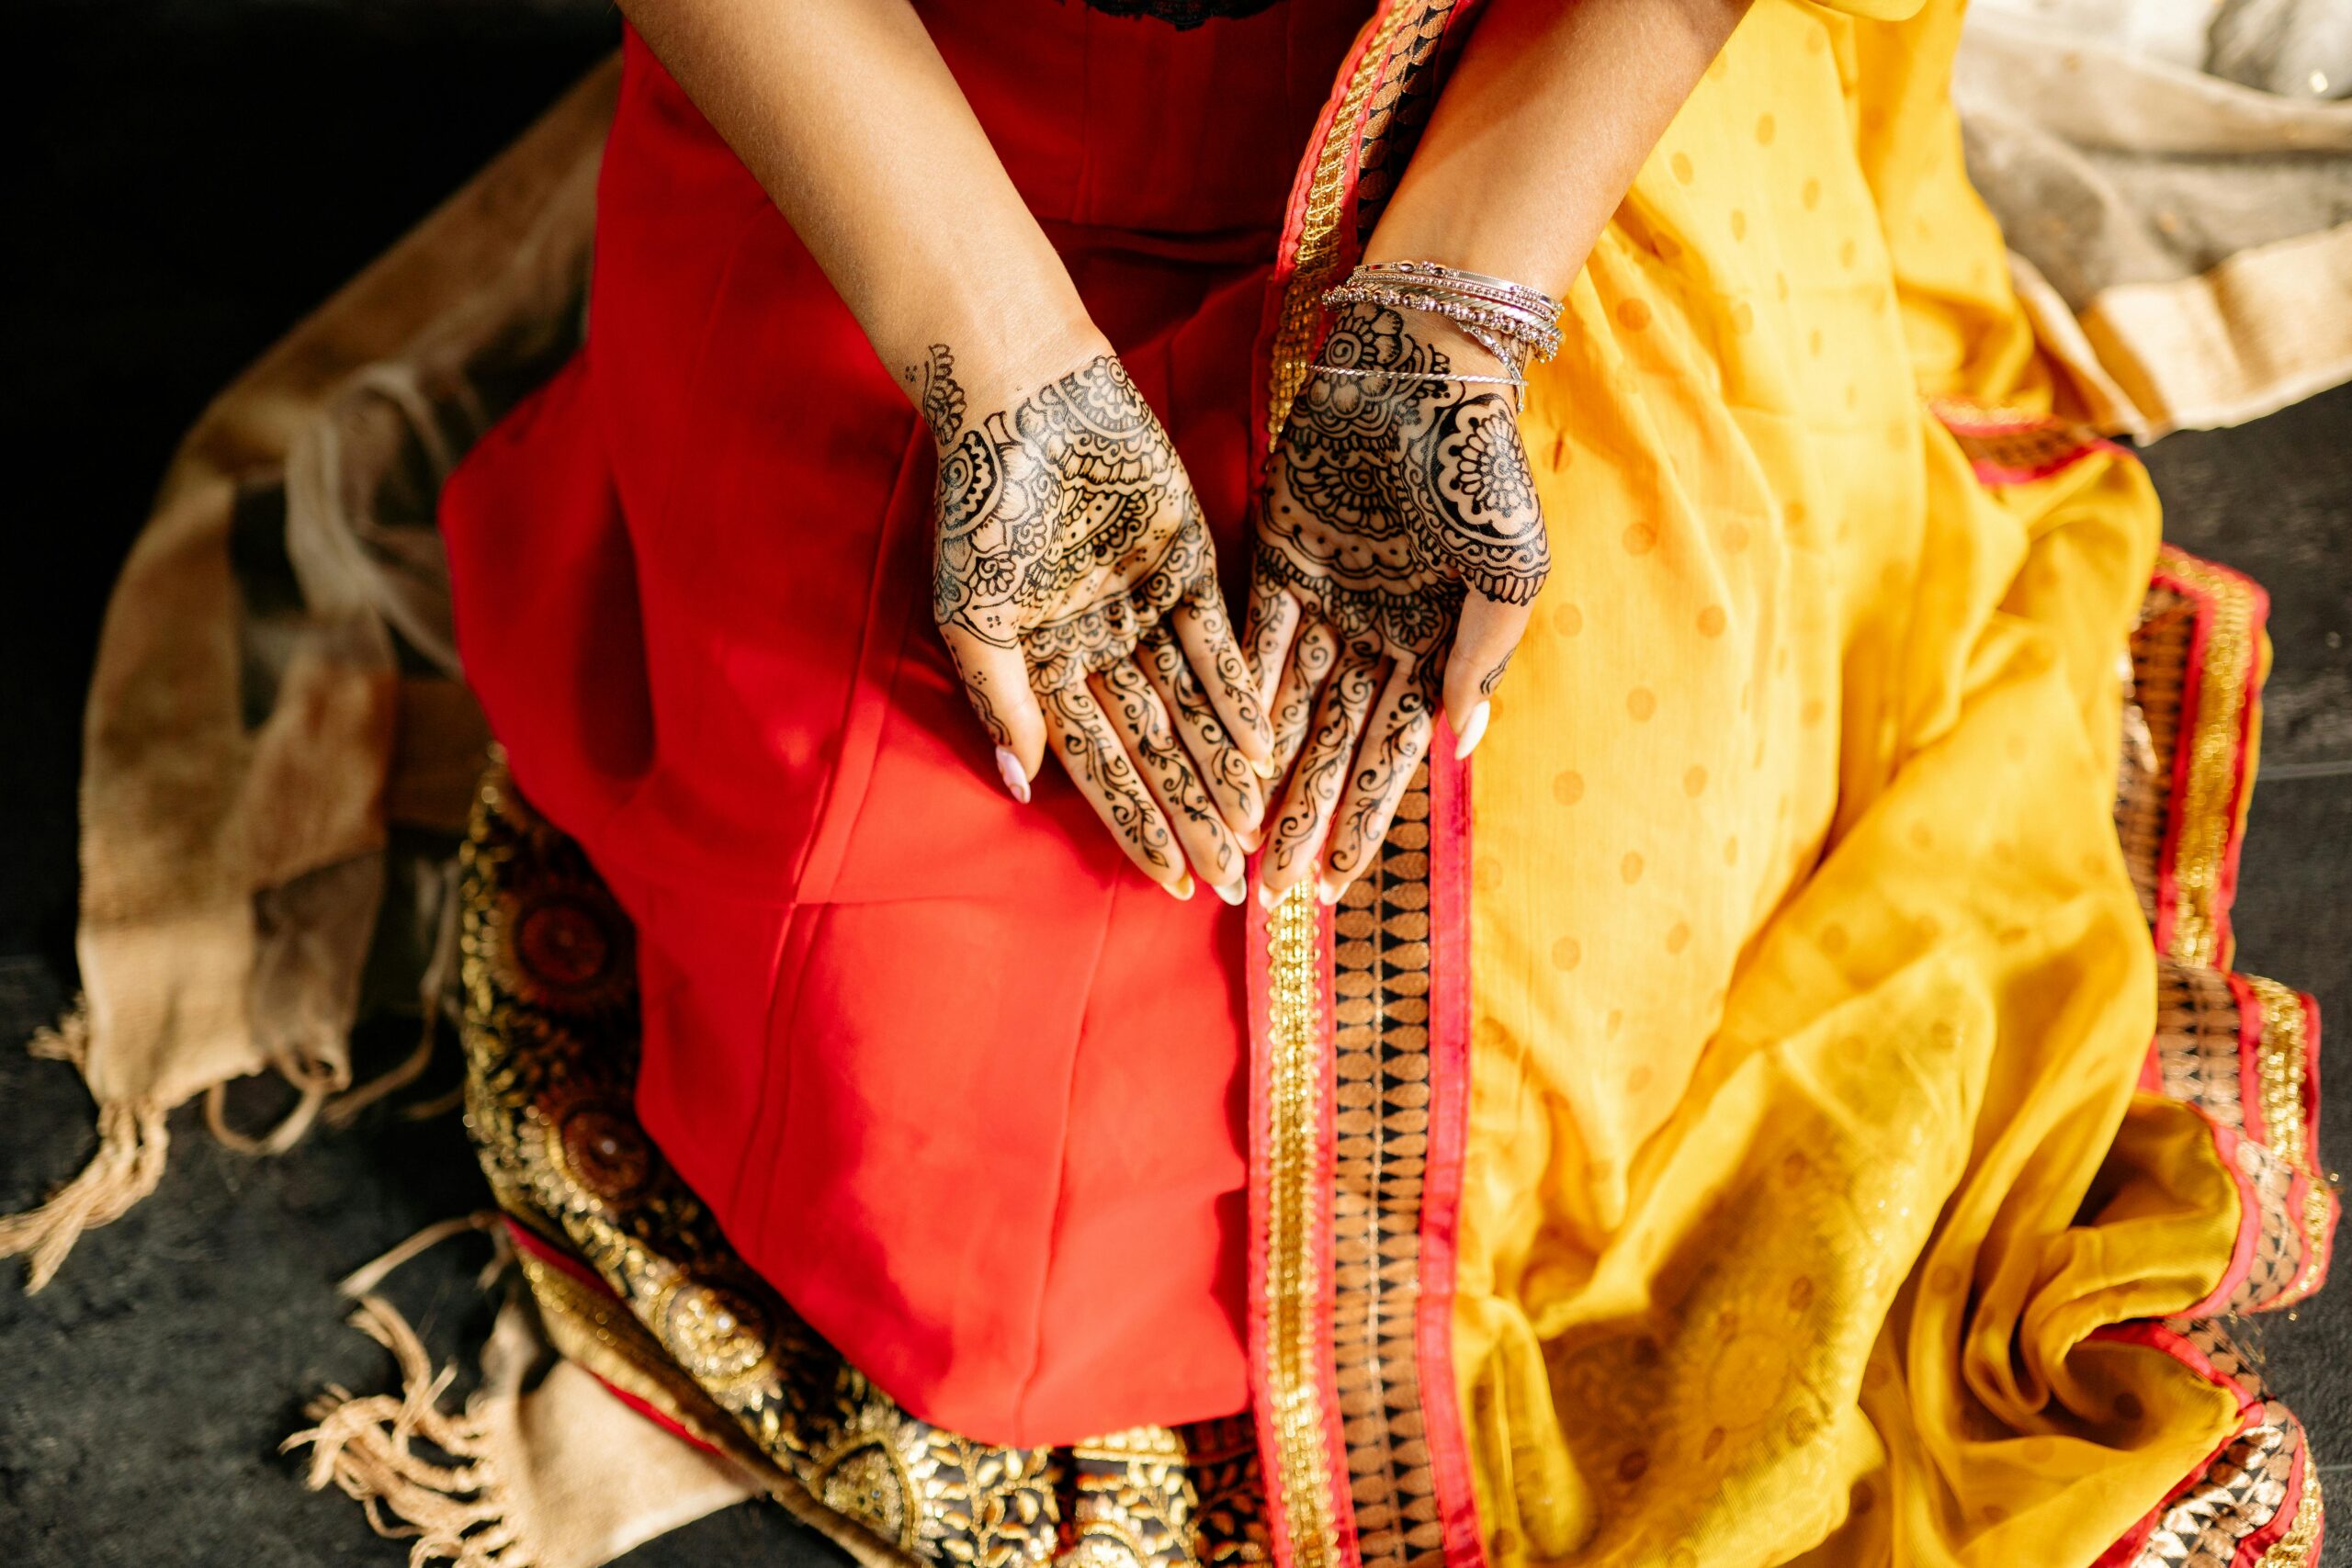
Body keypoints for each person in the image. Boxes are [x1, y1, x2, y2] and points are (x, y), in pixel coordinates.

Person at [436, 0, 2332, 1561]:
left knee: (1581, 982)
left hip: (1511, 112)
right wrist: (1003, 378)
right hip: (924, 154)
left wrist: (1446, 328)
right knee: (960, 1178)